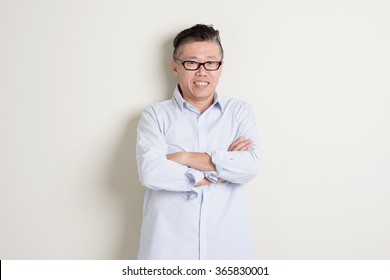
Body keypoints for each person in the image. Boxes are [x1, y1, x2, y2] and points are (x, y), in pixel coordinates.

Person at [136, 24, 261, 260]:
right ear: (176, 66)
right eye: (192, 63)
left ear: (220, 67)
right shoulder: (155, 116)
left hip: (227, 250)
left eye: (211, 63)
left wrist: (181, 158)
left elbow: (249, 167)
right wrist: (219, 170)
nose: (202, 72)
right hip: (168, 251)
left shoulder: (239, 111)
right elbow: (151, 173)